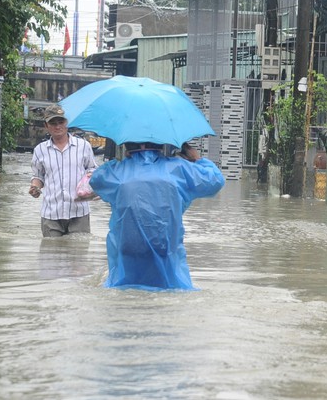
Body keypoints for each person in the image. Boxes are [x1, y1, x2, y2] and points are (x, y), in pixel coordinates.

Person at [89, 141, 224, 290]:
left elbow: (96, 180)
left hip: (128, 248)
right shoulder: (178, 169)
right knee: (169, 291)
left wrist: (120, 162)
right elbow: (216, 181)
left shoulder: (118, 171)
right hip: (166, 247)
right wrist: (197, 159)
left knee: (125, 290)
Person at [30, 104, 98, 237]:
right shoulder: (40, 150)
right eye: (53, 123)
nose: (57, 126)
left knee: (78, 254)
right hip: (51, 214)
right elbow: (38, 176)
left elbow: (92, 169)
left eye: (61, 122)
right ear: (46, 126)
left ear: (67, 123)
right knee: (51, 254)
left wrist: (91, 185)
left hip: (79, 212)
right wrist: (35, 187)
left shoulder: (83, 146)